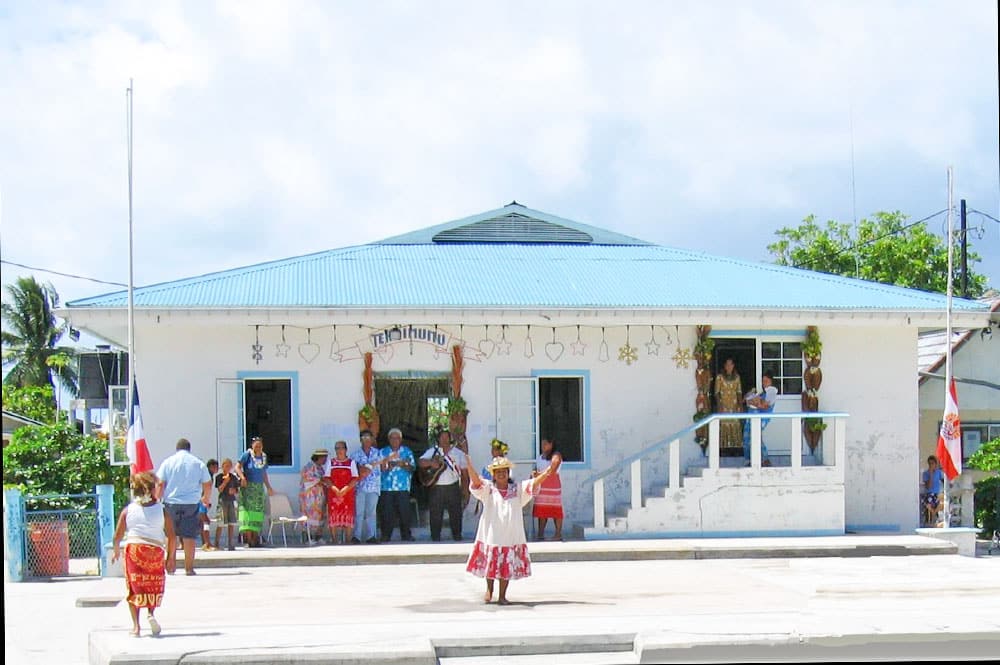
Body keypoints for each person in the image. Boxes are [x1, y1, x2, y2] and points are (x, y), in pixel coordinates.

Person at [466, 454, 556, 605]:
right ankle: (489, 590)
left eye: (504, 471)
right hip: (492, 534)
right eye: (498, 471)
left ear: (508, 474)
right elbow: (476, 482)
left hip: (510, 535)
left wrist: (547, 473)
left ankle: (502, 595)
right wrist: (468, 465)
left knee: (505, 566)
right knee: (491, 563)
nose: (501, 474)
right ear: (493, 474)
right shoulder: (488, 489)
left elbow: (533, 484)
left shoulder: (517, 490)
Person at [112, 471, 177, 637]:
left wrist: (116, 550)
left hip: (134, 551)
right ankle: (150, 613)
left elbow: (118, 535)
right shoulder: (162, 511)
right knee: (152, 586)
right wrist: (171, 558)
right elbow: (171, 535)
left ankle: (136, 627)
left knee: (134, 588)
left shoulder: (128, 510)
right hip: (154, 552)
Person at [155, 438, 212, 575]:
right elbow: (208, 483)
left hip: (171, 503)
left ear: (177, 448)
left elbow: (160, 483)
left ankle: (170, 566)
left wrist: (157, 499)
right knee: (189, 536)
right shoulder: (198, 463)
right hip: (191, 503)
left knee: (170, 534)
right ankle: (189, 568)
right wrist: (205, 498)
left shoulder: (168, 462)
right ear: (189, 449)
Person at [419, 429, 470, 542]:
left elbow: (465, 474)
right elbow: (421, 462)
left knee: (456, 513)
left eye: (447, 437)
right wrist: (432, 463)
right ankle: (435, 537)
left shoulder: (458, 453)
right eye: (442, 437)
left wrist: (465, 490)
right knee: (435, 513)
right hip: (436, 487)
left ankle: (457, 536)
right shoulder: (433, 451)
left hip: (453, 486)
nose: (444, 439)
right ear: (438, 439)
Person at [237, 436, 275, 548]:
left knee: (257, 514)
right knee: (248, 515)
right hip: (248, 489)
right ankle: (249, 540)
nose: (258, 447)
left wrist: (268, 486)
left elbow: (263, 473)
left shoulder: (263, 457)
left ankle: (256, 538)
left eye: (260, 445)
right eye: (256, 445)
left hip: (258, 489)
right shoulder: (247, 455)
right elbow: (237, 467)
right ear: (252, 445)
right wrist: (242, 477)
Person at [378, 428, 415, 542]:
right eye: (392, 438)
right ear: (389, 439)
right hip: (387, 487)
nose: (395, 440)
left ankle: (406, 535)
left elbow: (412, 467)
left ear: (400, 439)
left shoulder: (407, 451)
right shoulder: (383, 452)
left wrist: (400, 464)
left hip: (403, 487)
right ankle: (385, 535)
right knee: (387, 513)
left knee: (404, 513)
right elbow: (380, 468)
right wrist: (392, 464)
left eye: (397, 438)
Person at [351, 429, 383, 544]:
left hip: (374, 487)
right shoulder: (355, 455)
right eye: (364, 438)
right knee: (359, 512)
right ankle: (357, 536)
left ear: (372, 439)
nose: (367, 440)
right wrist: (364, 468)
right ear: (360, 440)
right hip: (360, 487)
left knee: (371, 512)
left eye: (369, 438)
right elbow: (356, 470)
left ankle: (371, 536)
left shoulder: (378, 453)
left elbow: (383, 467)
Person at [327, 440, 362, 544]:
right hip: (334, 494)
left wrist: (345, 489)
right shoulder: (331, 462)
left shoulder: (351, 462)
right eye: (337, 448)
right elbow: (327, 478)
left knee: (347, 515)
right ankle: (334, 540)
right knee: (334, 515)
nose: (339, 450)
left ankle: (347, 540)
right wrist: (335, 489)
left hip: (347, 494)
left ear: (346, 449)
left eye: (341, 448)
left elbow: (355, 478)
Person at [743, 370, 778, 466]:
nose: (764, 383)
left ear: (771, 381)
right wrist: (754, 399)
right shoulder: (763, 392)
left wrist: (756, 402)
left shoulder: (771, 391)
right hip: (753, 417)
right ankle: (753, 459)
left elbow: (765, 405)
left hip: (761, 417)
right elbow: (747, 401)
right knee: (749, 437)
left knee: (755, 437)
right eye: (763, 381)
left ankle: (764, 459)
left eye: (766, 381)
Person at [533, 438, 564, 541]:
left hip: (553, 486)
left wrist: (540, 474)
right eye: (542, 444)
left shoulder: (556, 455)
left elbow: (553, 468)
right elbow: (537, 469)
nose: (543, 446)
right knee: (542, 511)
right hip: (542, 486)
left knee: (555, 510)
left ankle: (558, 534)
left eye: (546, 444)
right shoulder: (540, 457)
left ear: (551, 444)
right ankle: (540, 533)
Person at [714, 357, 744, 454]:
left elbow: (739, 392)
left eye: (731, 364)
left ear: (733, 366)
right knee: (724, 425)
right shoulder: (719, 377)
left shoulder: (737, 377)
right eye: (727, 364)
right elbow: (717, 392)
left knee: (735, 425)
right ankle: (724, 449)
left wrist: (740, 405)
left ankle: (736, 449)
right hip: (724, 405)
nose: (729, 366)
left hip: (734, 405)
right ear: (724, 366)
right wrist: (719, 406)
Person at [299, 448, 329, 542]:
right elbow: (307, 479)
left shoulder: (320, 468)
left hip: (319, 497)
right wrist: (320, 480)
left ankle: (317, 536)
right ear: (319, 457)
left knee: (320, 517)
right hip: (309, 498)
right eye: (324, 458)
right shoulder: (309, 467)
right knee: (310, 517)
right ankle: (307, 537)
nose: (325, 460)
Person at [213, 458, 240, 551]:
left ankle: (230, 543)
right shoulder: (219, 477)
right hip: (222, 501)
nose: (228, 468)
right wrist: (225, 482)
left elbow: (237, 490)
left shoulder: (234, 477)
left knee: (231, 523)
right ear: (222, 466)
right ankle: (216, 543)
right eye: (226, 465)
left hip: (231, 501)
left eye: (229, 466)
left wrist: (234, 491)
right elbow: (219, 489)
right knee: (221, 522)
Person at [198, 459, 219, 551]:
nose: (216, 469)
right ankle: (207, 543)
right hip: (201, 501)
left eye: (217, 467)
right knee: (205, 521)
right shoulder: (206, 476)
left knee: (202, 522)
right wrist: (204, 500)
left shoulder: (209, 476)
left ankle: (205, 543)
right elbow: (203, 489)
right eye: (214, 467)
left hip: (203, 500)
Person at [922, 455, 946, 527]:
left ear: (935, 464)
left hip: (937, 494)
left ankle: (934, 514)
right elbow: (928, 486)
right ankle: (933, 515)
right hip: (929, 494)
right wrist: (931, 475)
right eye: (929, 463)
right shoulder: (926, 473)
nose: (931, 465)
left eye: (932, 463)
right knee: (928, 504)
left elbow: (943, 481)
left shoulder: (938, 472)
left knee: (942, 503)